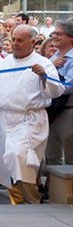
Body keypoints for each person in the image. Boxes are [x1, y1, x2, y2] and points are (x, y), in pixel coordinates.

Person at [0, 26, 65, 204]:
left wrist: (44, 77)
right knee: (10, 163)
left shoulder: (44, 64)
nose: (15, 43)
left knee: (20, 157)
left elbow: (57, 90)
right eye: (13, 39)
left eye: (20, 40)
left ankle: (31, 200)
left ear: (33, 42)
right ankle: (18, 201)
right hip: (7, 119)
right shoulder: (4, 64)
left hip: (30, 121)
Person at [47, 19, 73, 167]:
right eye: (53, 33)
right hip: (51, 111)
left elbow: (68, 86)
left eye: (59, 34)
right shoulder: (53, 57)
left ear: (71, 37)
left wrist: (48, 76)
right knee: (52, 153)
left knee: (70, 156)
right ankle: (55, 188)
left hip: (68, 112)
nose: (54, 37)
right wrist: (50, 66)